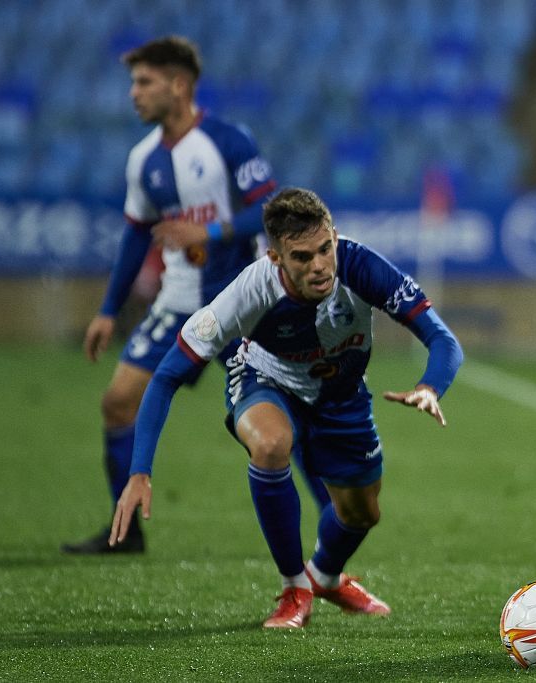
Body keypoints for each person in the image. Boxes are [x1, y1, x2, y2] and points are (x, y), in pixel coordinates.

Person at [108, 188, 463, 629]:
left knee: (362, 514)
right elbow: (165, 376)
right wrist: (139, 471)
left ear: (334, 236)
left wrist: (431, 386)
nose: (318, 265)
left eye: (324, 249)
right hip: (265, 380)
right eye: (301, 257)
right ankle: (294, 587)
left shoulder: (362, 267)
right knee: (272, 444)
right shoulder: (247, 292)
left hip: (342, 396)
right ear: (276, 258)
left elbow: (443, 340)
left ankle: (324, 577)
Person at [62, 36, 329, 555]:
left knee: (287, 418)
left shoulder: (227, 141)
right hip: (179, 301)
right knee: (118, 403)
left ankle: (334, 524)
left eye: (144, 82)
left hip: (242, 305)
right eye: (133, 83)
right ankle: (127, 533)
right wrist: (108, 310)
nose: (134, 94)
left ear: (179, 85)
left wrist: (207, 234)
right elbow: (137, 233)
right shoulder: (143, 161)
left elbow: (273, 206)